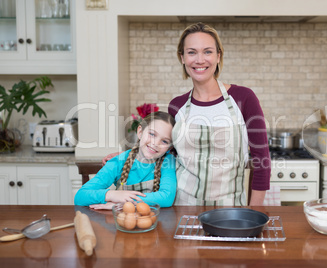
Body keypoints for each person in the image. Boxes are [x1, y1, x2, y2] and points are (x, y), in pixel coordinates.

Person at [169, 22, 270, 206]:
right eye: (192, 52)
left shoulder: (244, 98)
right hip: (181, 210)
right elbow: (166, 155)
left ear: (218, 56)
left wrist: (254, 213)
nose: (200, 60)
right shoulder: (176, 106)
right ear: (182, 58)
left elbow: (262, 161)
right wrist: (126, 157)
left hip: (231, 213)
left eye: (207, 51)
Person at [75, 111, 177, 209]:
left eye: (164, 141)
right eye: (152, 134)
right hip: (121, 221)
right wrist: (112, 195)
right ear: (140, 132)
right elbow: (80, 196)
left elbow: (167, 198)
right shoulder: (118, 162)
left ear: (169, 147)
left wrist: (123, 203)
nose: (155, 143)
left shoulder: (167, 161)